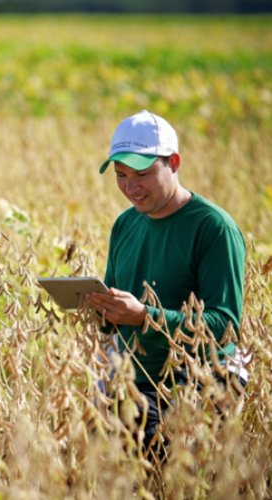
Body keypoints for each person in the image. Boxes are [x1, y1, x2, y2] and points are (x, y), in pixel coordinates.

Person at [85, 109, 246, 453]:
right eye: (121, 175)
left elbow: (225, 326)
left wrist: (146, 317)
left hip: (198, 381)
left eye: (142, 174)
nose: (130, 187)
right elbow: (115, 317)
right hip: (133, 378)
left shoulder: (214, 228)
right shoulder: (125, 225)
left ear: (174, 162)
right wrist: (99, 308)